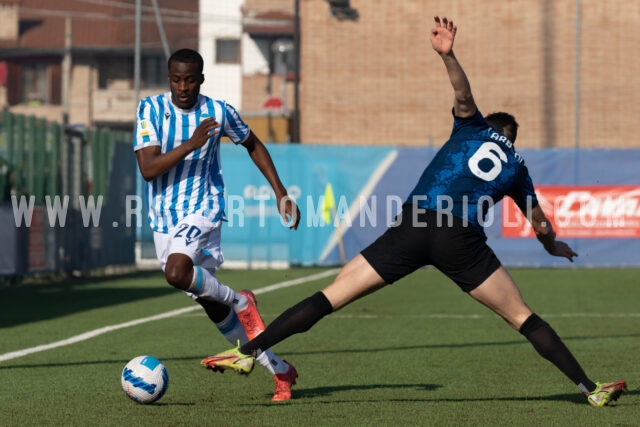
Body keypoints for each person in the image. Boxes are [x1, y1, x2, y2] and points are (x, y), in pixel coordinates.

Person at [201, 17, 626, 407]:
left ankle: (247, 352)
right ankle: (590, 388)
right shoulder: (518, 167)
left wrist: (448, 55)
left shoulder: (472, 127)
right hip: (460, 239)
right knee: (522, 316)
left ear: (489, 126)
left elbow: (462, 94)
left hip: (414, 223)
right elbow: (542, 225)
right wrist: (552, 247)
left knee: (331, 296)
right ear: (515, 138)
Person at [134, 48, 301, 401]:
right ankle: (280, 370)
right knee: (212, 306)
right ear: (169, 79)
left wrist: (280, 191)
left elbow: (252, 142)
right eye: (177, 79)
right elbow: (148, 169)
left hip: (203, 209)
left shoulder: (218, 111)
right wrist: (191, 144)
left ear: (201, 79)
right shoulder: (150, 109)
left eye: (190, 79)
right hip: (165, 219)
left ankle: (241, 300)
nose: (183, 86)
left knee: (177, 272)